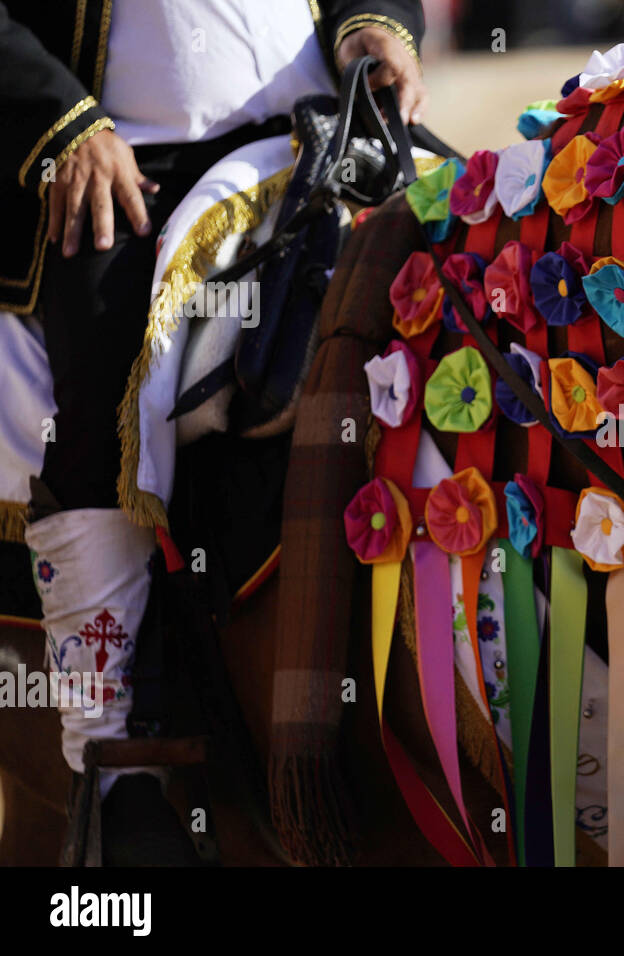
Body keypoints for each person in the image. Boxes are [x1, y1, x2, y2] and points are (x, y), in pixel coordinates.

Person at [0, 0, 427, 864]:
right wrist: (59, 117)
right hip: (116, 161)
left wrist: (372, 22)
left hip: (321, 142)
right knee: (106, 383)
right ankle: (112, 764)